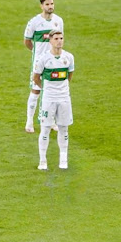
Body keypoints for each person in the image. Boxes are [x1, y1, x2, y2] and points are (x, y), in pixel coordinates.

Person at [33, 30, 74, 170]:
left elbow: (69, 75)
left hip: (64, 98)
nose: (59, 41)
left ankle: (63, 160)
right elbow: (36, 78)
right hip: (49, 99)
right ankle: (43, 161)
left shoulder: (69, 57)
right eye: (56, 38)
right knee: (45, 129)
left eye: (61, 38)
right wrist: (46, 89)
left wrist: (62, 89)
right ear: (50, 40)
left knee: (64, 128)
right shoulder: (43, 59)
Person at [24, 0, 64, 133]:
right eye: (47, 4)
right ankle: (29, 121)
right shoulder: (34, 22)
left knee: (52, 91)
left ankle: (50, 120)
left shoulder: (58, 21)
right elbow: (27, 41)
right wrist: (37, 54)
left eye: (52, 3)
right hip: (39, 62)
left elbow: (60, 40)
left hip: (53, 62)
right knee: (36, 90)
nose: (50, 6)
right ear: (41, 6)